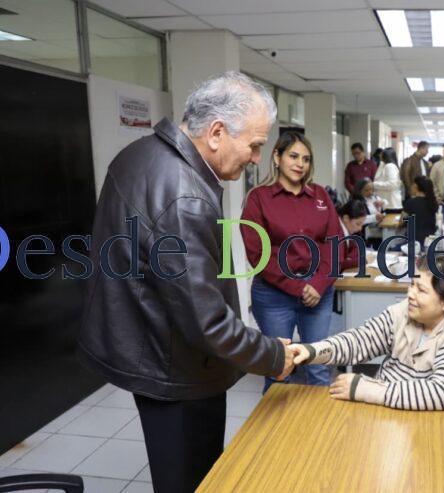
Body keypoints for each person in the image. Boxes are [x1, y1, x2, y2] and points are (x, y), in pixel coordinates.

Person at [77, 72, 296, 493]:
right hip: (176, 367)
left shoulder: (140, 153)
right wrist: (271, 355)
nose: (256, 158)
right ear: (216, 133)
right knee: (193, 480)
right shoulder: (185, 196)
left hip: (147, 340)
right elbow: (207, 321)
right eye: (253, 145)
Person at [289, 254, 444, 410]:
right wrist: (313, 351)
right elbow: (360, 340)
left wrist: (365, 389)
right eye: (412, 285)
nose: (410, 294)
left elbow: (440, 393)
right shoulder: (407, 311)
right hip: (387, 409)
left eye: (421, 290)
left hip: (431, 425)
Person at [241, 131, 341, 393]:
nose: (300, 164)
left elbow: (335, 244)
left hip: (318, 293)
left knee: (318, 367)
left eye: (306, 159)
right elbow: (258, 253)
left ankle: (319, 432)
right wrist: (298, 287)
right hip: (274, 296)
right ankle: (277, 434)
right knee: (278, 371)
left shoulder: (320, 195)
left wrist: (318, 285)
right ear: (277, 157)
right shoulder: (258, 198)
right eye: (293, 156)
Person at [403, 176, 439, 248]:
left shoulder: (410, 202)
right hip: (429, 239)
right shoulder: (432, 202)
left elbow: (403, 220)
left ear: (416, 187)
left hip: (413, 240)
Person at [337, 199, 369, 271]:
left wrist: (349, 258)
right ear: (346, 218)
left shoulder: (345, 229)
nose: (360, 228)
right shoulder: (335, 231)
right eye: (358, 224)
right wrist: (358, 260)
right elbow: (335, 264)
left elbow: (355, 246)